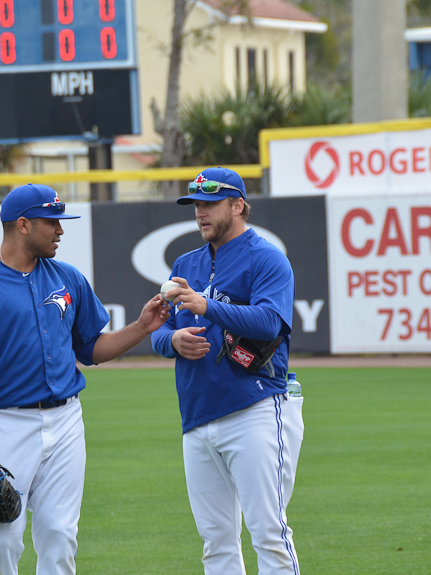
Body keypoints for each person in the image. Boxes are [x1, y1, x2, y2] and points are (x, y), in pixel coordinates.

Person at [0, 184, 169, 575]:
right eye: (52, 222)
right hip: (5, 423)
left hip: (66, 422)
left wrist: (142, 327)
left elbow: (90, 349)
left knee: (61, 538)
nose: (60, 230)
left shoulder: (67, 278)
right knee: (1, 541)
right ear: (23, 225)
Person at [151, 167, 303, 575]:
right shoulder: (186, 262)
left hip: (254, 407)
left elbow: (270, 322)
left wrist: (206, 306)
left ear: (237, 205)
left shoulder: (267, 259)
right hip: (197, 414)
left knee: (268, 532)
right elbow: (159, 331)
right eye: (196, 204)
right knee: (216, 542)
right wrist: (173, 341)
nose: (200, 212)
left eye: (210, 203)